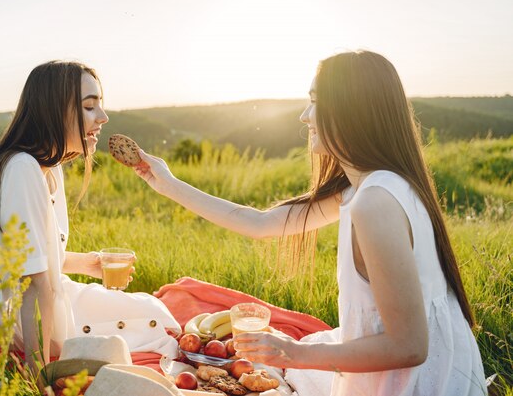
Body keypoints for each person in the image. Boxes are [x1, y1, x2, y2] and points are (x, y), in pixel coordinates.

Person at [134, 51, 487, 395]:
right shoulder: (369, 184)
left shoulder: (375, 202)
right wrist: (168, 184)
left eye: (316, 101)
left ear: (352, 111)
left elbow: (409, 347)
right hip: (429, 367)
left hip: (414, 382)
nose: (305, 116)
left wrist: (292, 354)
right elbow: (260, 223)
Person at [0, 60, 180, 378]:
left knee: (153, 312)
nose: (103, 117)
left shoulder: (49, 168)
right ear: (54, 110)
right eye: (89, 106)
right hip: (8, 315)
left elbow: (35, 258)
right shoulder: (21, 168)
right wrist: (37, 370)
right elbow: (32, 284)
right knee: (144, 333)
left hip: (50, 294)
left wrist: (89, 264)